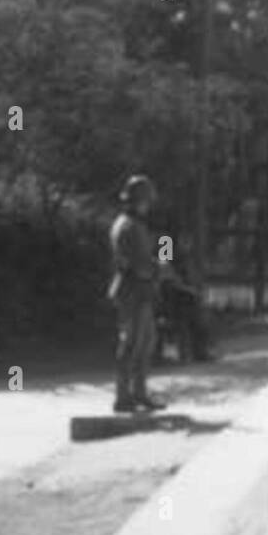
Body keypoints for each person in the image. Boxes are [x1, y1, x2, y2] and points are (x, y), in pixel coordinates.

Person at [108, 174, 167, 413]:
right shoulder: (129, 226)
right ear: (138, 200)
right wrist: (159, 268)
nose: (148, 205)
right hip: (133, 290)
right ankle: (125, 396)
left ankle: (139, 393)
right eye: (146, 200)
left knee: (145, 342)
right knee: (133, 344)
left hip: (137, 290)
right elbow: (138, 263)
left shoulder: (130, 224)